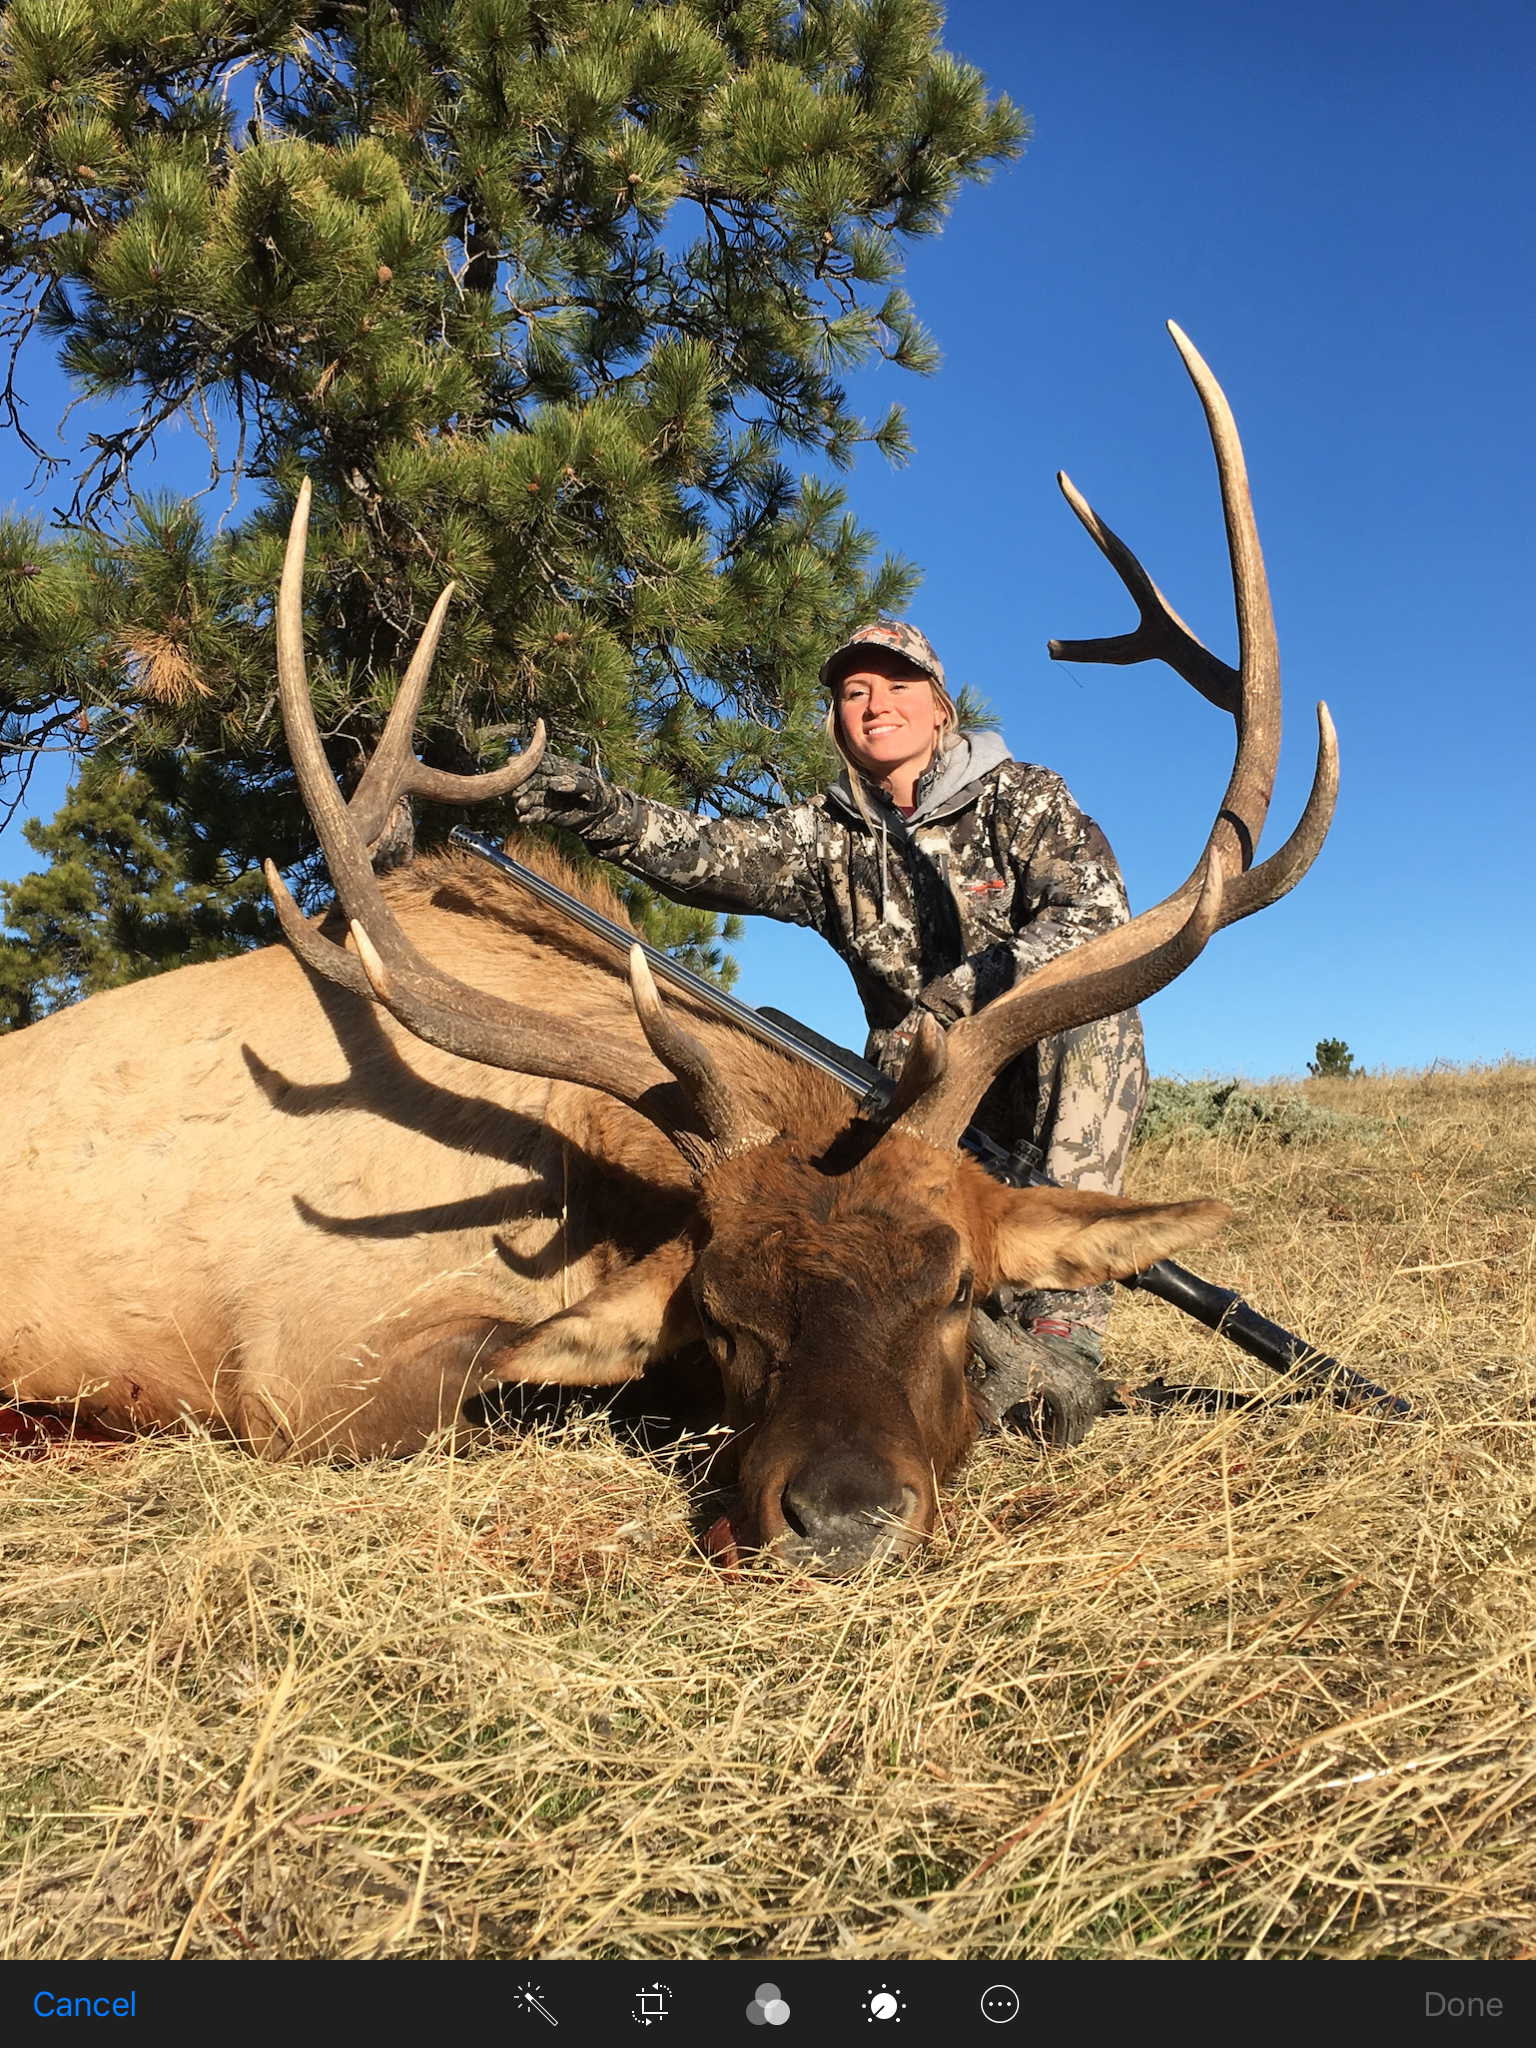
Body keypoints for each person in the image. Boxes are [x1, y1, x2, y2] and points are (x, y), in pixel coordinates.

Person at [505, 620, 1148, 1396]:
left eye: (898, 685)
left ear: (941, 708)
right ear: (839, 717)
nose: (877, 704)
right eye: (855, 691)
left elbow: (1096, 918)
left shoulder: (1025, 798)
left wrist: (955, 1003)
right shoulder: (828, 835)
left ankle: (1064, 1326)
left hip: (1024, 1073)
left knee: (1094, 1019)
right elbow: (711, 856)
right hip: (905, 1096)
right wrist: (598, 809)